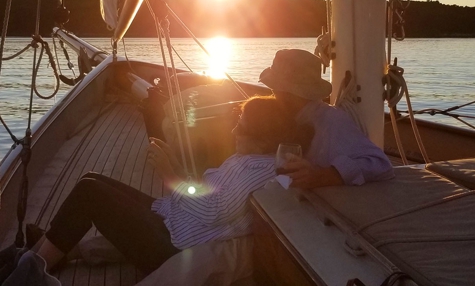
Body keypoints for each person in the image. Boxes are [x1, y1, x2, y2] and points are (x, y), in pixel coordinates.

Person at [28, 95, 309, 275]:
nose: (234, 130)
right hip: (171, 219)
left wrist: (171, 175)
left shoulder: (259, 173)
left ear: (262, 139)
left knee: (90, 194)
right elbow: (213, 193)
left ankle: (32, 272)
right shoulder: (250, 158)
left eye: (242, 128)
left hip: (169, 247)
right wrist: (176, 166)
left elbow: (212, 210)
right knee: (92, 180)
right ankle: (44, 251)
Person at [259, 48, 394, 189]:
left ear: (291, 93)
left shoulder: (332, 121)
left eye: (276, 89)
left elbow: (381, 164)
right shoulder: (282, 116)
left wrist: (323, 176)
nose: (274, 94)